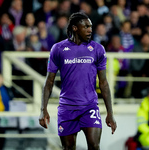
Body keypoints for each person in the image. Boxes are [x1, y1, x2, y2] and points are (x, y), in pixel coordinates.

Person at [39, 12, 117, 150]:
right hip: (67, 109)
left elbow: (103, 83)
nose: (90, 30)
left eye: (91, 26)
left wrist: (110, 113)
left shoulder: (97, 49)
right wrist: (43, 109)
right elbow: (49, 81)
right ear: (75, 28)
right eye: (86, 26)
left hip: (89, 107)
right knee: (68, 148)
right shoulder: (58, 49)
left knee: (94, 146)